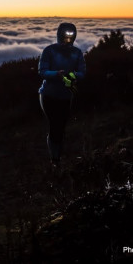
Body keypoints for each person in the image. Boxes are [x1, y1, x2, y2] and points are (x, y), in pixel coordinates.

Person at [38, 22, 86, 166]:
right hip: (48, 95)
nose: (68, 37)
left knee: (61, 126)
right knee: (55, 125)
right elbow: (42, 71)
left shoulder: (77, 53)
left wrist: (73, 75)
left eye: (71, 34)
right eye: (66, 34)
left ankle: (58, 155)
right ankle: (55, 160)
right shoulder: (49, 51)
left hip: (66, 95)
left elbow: (83, 72)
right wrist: (56, 74)